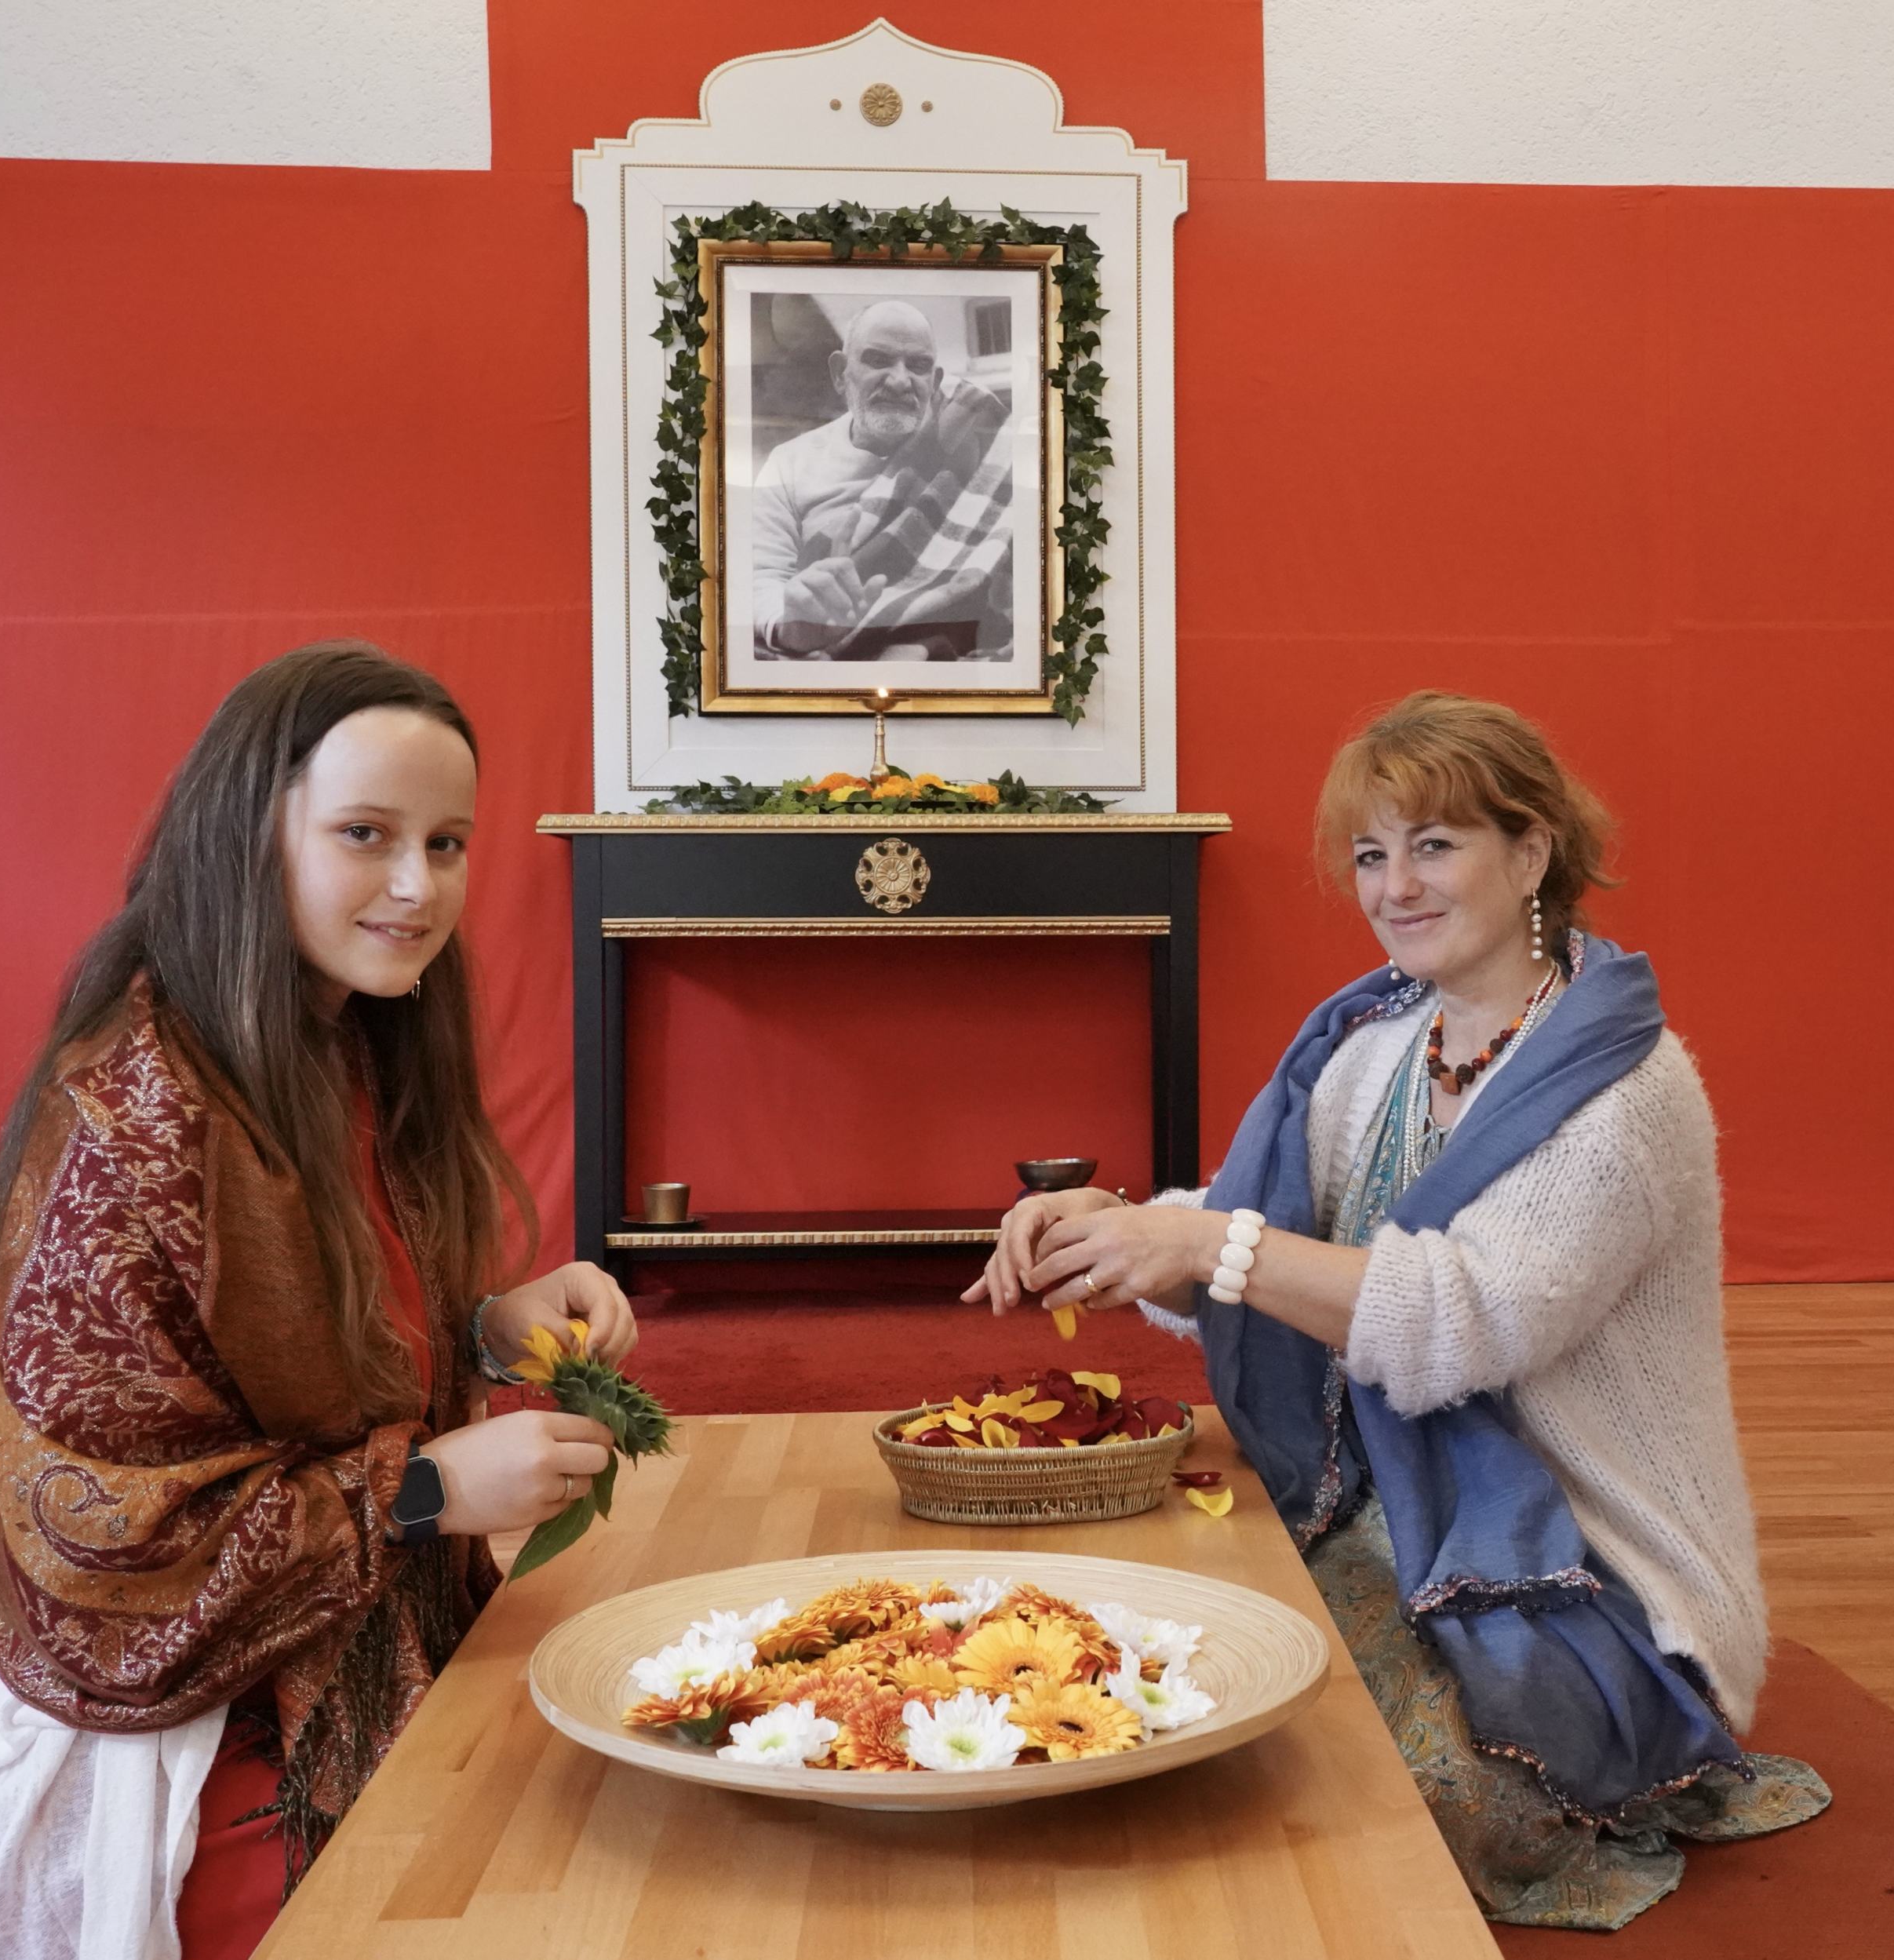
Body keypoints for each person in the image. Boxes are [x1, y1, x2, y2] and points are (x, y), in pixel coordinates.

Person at [964, 690, 1827, 1929]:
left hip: (1588, 1566)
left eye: (1435, 844)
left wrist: (1202, 1242)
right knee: (1164, 1656)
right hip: (1385, 1490)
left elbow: (1456, 1322)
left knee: (1343, 1763)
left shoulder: (1625, 1091)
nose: (1395, 886)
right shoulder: (1378, 1045)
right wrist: (1120, 1225)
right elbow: (1257, 1229)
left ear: (1530, 853)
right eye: (1372, 854)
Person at [0, 644, 634, 1960]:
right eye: (366, 834)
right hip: (193, 1730)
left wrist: (485, 1325)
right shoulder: (133, 1117)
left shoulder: (349, 1036)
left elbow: (309, 1350)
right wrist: (424, 1488)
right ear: (251, 830)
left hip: (362, 1630)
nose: (418, 886)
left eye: (448, 843)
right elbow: (93, 1539)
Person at [750, 298, 1014, 662]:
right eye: (878, 360)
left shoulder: (975, 436)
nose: (900, 381)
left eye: (919, 366)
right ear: (840, 373)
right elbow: (760, 577)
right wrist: (791, 626)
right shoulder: (788, 463)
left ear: (935, 382)